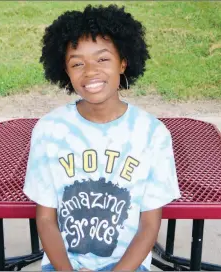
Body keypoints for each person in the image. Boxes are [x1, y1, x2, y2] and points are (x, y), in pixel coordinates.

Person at [23, 4, 181, 271]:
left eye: (103, 59)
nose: (90, 71)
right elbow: (46, 219)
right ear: (64, 70)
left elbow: (149, 224)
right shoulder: (49, 130)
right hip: (64, 265)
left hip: (127, 266)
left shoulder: (152, 134)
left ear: (123, 62)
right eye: (77, 63)